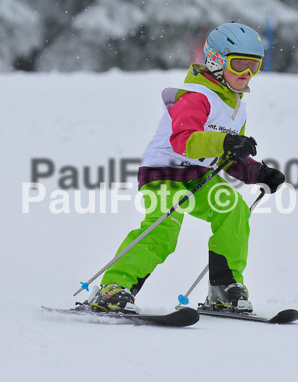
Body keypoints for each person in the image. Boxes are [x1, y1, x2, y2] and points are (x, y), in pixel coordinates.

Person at [85, 22, 285, 314]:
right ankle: (114, 287)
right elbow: (184, 140)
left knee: (234, 211)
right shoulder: (195, 96)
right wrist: (226, 141)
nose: (246, 74)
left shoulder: (237, 106)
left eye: (254, 66)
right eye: (239, 64)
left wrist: (257, 173)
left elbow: (226, 156)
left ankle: (224, 288)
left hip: (200, 178)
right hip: (163, 174)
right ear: (216, 60)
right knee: (165, 226)